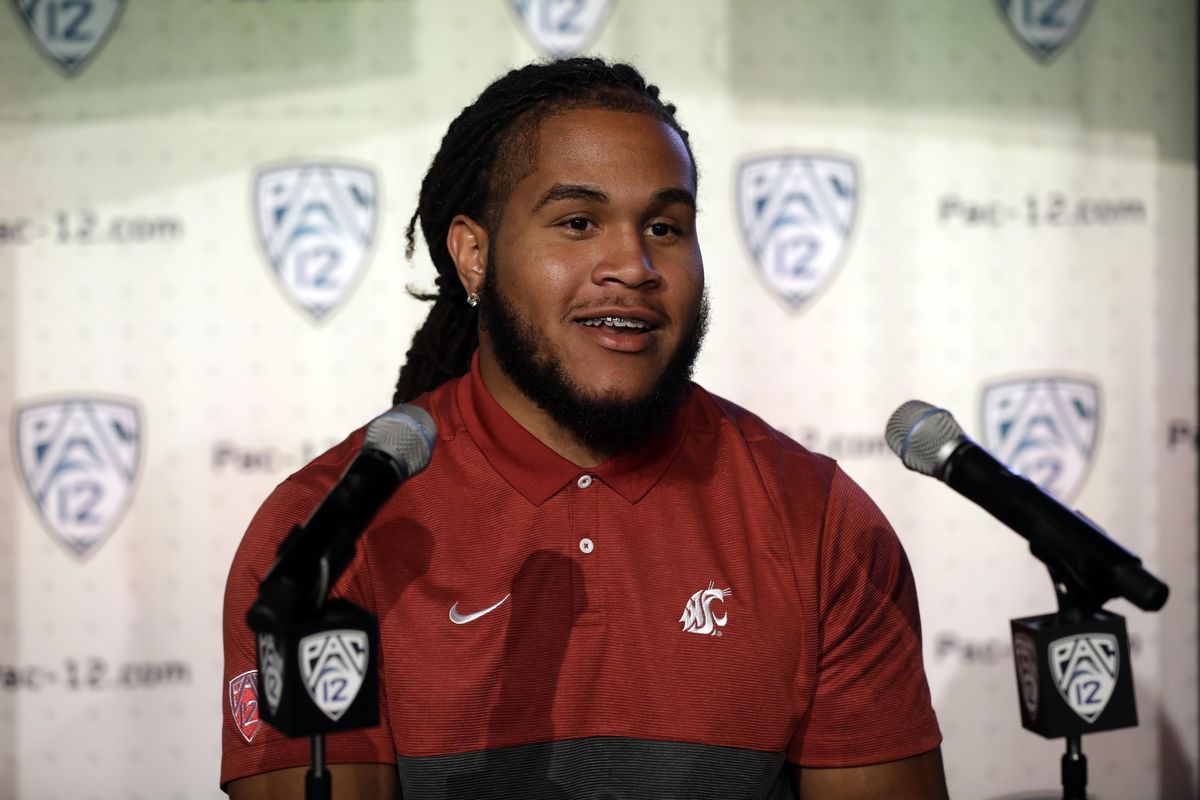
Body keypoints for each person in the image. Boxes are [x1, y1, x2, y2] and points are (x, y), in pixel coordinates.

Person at [222, 57, 947, 799]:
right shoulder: (326, 535)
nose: (632, 265)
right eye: (578, 223)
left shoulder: (817, 521)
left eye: (665, 227)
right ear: (474, 256)